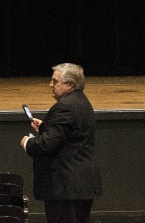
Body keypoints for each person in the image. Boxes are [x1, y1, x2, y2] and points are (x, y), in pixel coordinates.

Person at [20, 62, 103, 223]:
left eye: (56, 81)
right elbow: (70, 135)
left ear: (69, 85)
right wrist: (45, 127)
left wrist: (28, 143)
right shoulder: (80, 101)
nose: (50, 85)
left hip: (66, 188)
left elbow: (46, 145)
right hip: (78, 186)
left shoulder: (64, 107)